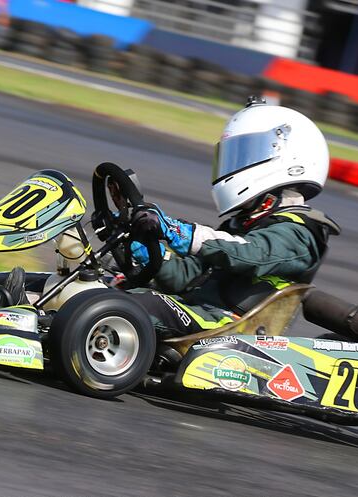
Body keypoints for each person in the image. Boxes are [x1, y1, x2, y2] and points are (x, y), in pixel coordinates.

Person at [126, 101, 340, 339]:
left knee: (130, 307)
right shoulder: (245, 222)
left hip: (231, 328)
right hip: (198, 311)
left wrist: (178, 232)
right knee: (111, 289)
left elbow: (250, 255)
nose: (235, 163)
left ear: (290, 158)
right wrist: (141, 246)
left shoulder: (300, 233)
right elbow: (185, 276)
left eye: (247, 153)